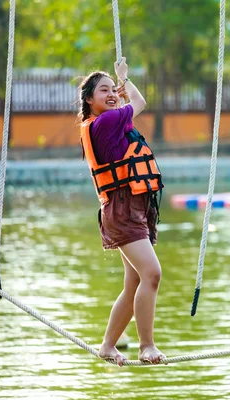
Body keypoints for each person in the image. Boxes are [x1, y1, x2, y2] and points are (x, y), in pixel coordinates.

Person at [78, 58, 165, 366]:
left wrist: (121, 84)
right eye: (104, 91)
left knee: (134, 284)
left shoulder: (110, 124)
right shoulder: (105, 122)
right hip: (123, 210)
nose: (112, 94)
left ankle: (108, 346)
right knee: (152, 274)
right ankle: (146, 346)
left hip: (130, 208)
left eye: (114, 90)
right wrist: (125, 78)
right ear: (89, 99)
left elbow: (136, 102)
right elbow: (140, 101)